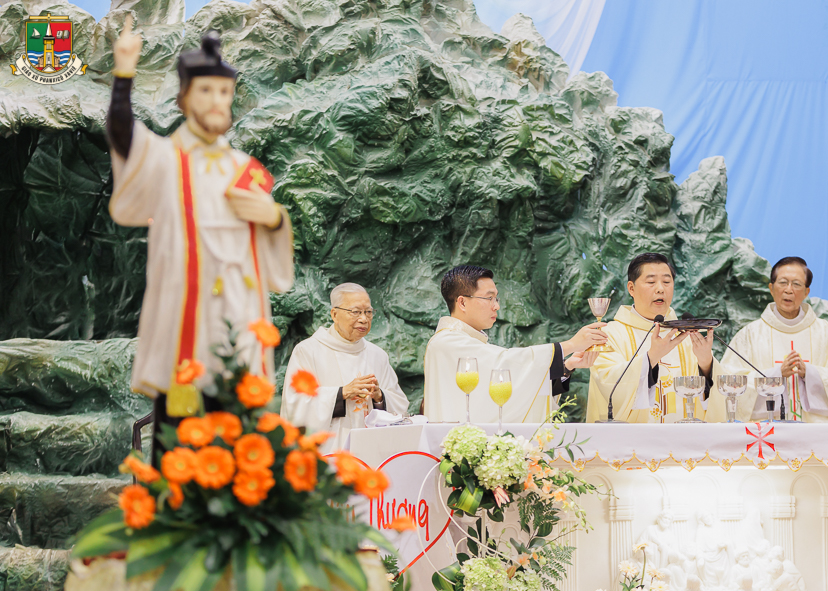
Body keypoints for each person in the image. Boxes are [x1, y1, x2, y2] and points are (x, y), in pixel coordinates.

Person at [106, 22, 293, 452]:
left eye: (224, 92)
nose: (216, 101)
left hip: (239, 320)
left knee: (236, 442)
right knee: (179, 440)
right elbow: (124, 137)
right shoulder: (165, 157)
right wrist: (124, 74)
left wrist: (274, 219)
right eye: (206, 91)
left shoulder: (244, 167)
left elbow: (274, 265)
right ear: (184, 98)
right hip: (185, 322)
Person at [423, 265, 606, 423]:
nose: (496, 306)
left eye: (496, 299)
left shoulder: (462, 341)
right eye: (489, 298)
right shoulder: (447, 342)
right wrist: (571, 345)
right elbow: (506, 363)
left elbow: (509, 386)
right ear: (462, 302)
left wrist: (566, 366)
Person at [586, 253, 721, 423]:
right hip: (634, 438)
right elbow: (607, 383)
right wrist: (651, 358)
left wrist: (706, 363)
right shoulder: (609, 335)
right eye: (651, 282)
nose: (660, 289)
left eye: (666, 282)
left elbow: (717, 397)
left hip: (684, 437)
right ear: (631, 288)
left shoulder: (686, 335)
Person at [721, 257, 828, 422]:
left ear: (806, 292)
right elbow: (730, 383)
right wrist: (776, 374)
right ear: (771, 288)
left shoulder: (827, 334)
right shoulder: (749, 335)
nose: (789, 290)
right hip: (766, 432)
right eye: (783, 282)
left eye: (797, 284)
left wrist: (809, 373)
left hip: (815, 433)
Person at [280, 283, 408, 453]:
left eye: (368, 312)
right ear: (334, 314)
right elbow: (295, 404)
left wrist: (379, 397)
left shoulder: (378, 355)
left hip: (371, 450)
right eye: (356, 312)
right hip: (329, 451)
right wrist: (341, 393)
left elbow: (400, 405)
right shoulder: (308, 351)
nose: (364, 319)